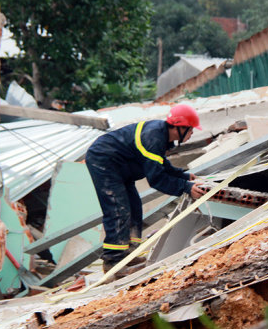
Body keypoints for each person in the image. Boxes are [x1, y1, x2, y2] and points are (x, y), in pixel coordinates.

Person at [86, 104, 206, 277]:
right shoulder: (154, 137)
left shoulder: (162, 136)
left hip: (120, 165)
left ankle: (128, 254)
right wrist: (185, 188)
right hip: (104, 161)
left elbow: (161, 165)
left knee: (134, 207)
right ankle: (113, 262)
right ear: (179, 127)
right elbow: (156, 179)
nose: (192, 133)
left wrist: (183, 176)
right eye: (190, 129)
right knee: (118, 209)